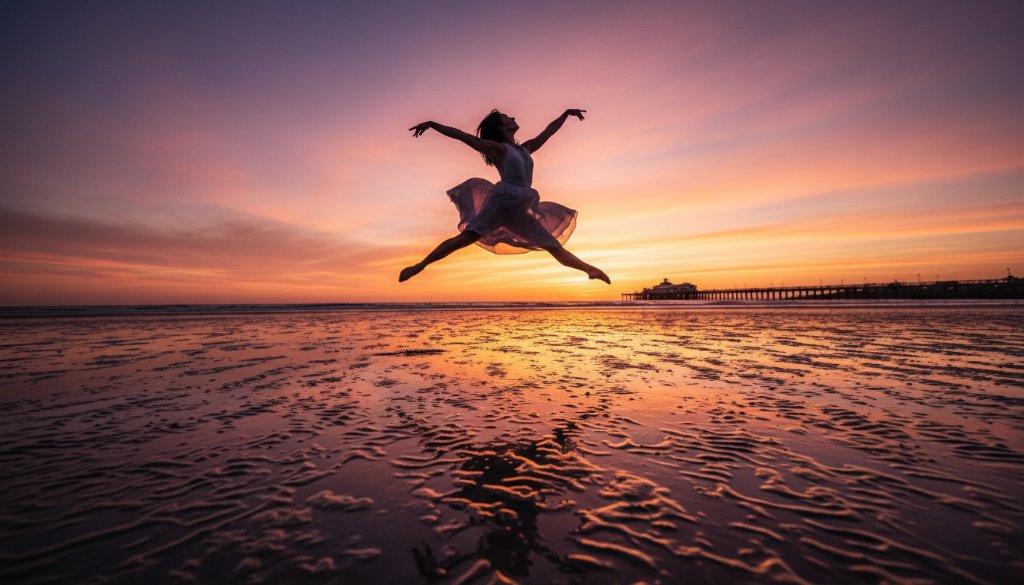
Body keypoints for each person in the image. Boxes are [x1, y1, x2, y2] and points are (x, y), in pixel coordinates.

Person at [399, 109, 610, 284]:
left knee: (552, 245)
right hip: (503, 201)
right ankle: (420, 266)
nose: (514, 118)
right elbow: (463, 136)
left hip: (520, 206)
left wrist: (566, 114)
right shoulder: (497, 149)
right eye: (507, 117)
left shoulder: (525, 148)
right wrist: (433, 124)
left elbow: (548, 133)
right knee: (464, 239)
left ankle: (589, 269)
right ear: (501, 126)